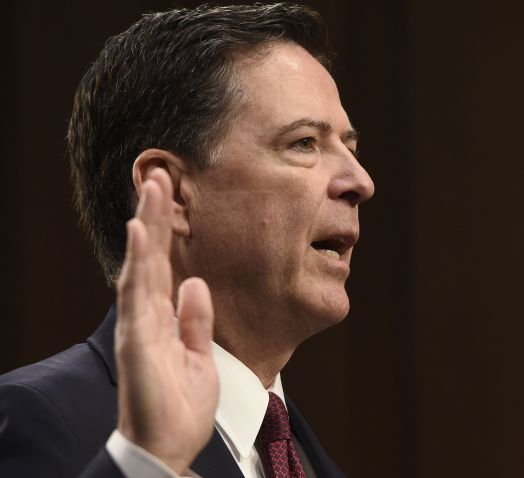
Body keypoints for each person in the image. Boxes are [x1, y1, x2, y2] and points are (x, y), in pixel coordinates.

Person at [0, 3, 374, 477]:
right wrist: (145, 462)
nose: (360, 181)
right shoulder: (38, 417)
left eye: (351, 148)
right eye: (304, 143)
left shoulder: (310, 462)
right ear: (172, 192)